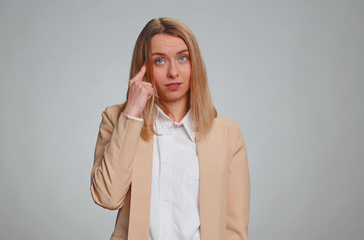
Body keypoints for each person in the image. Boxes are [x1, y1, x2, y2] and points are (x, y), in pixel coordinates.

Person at [90, 17, 250, 240]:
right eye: (160, 61)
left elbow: (234, 229)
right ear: (142, 67)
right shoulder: (117, 120)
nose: (173, 72)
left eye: (183, 58)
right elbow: (107, 197)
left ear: (195, 64)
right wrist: (131, 114)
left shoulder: (227, 133)